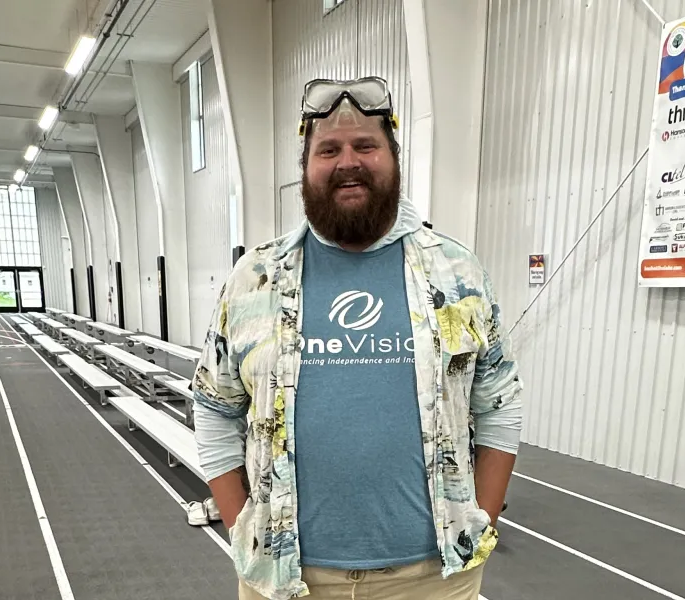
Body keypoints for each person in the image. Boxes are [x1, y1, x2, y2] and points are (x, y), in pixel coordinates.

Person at [192, 76, 523, 600]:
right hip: (284, 577)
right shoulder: (255, 278)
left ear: (394, 158)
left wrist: (482, 516)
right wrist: (241, 527)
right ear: (306, 168)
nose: (348, 161)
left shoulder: (456, 274)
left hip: (432, 580)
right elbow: (214, 405)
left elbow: (499, 401)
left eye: (365, 145)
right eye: (329, 149)